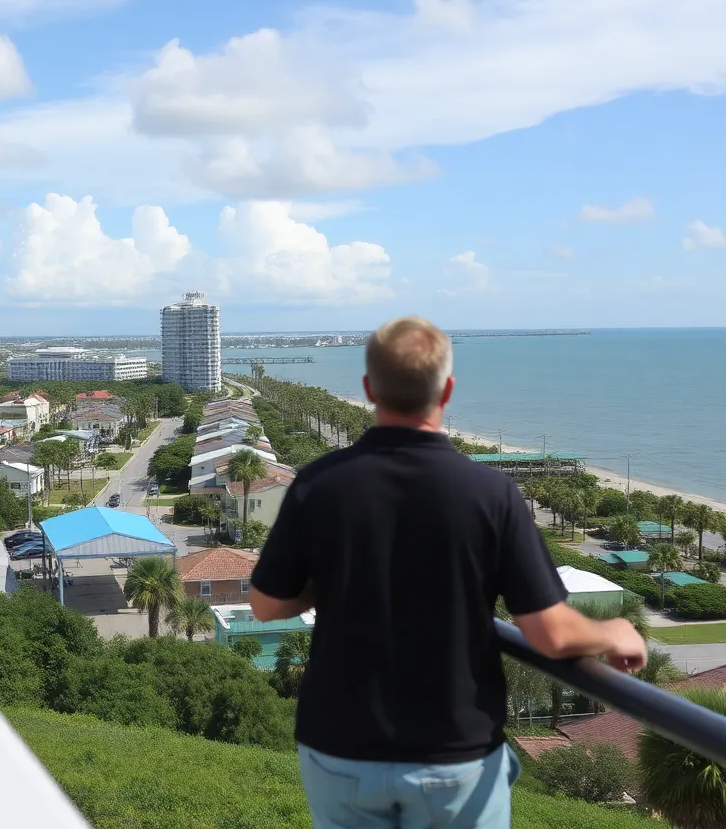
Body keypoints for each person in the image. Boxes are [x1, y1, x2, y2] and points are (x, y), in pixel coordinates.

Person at [249, 316, 646, 829]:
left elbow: (265, 605)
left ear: (369, 389)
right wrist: (610, 631)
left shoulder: (319, 484)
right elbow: (548, 632)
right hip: (453, 754)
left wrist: (334, 573)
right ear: (448, 390)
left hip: (340, 747)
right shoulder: (491, 493)